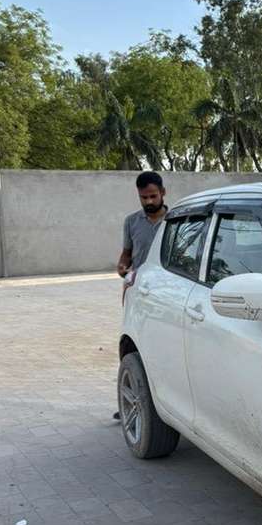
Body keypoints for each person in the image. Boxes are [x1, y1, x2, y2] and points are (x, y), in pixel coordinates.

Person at [113, 171, 168, 420]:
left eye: (152, 196)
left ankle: (163, 402)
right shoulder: (131, 222)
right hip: (138, 292)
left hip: (168, 294)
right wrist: (122, 268)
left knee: (163, 346)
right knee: (132, 345)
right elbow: (127, 254)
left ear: (163, 193)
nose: (148, 202)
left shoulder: (176, 220)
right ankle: (131, 399)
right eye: (143, 197)